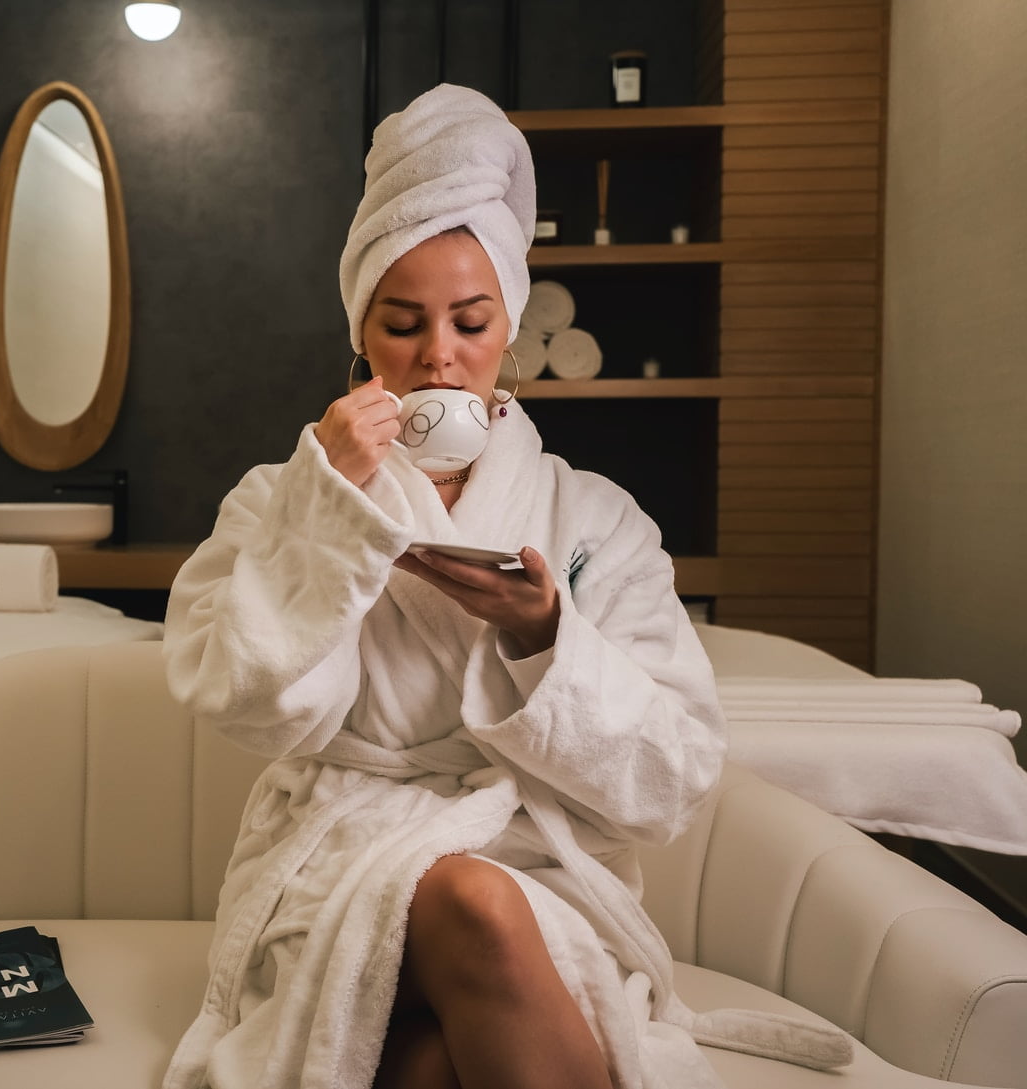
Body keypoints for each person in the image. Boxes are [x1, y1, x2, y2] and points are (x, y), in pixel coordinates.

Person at [159, 85, 853, 1089]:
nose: (437, 355)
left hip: (534, 864)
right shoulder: (283, 497)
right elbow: (250, 708)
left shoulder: (595, 520)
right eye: (401, 325)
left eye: (468, 322)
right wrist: (329, 512)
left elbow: (674, 779)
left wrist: (543, 641)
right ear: (361, 341)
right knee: (464, 911)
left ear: (509, 337)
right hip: (339, 860)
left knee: (441, 1045)